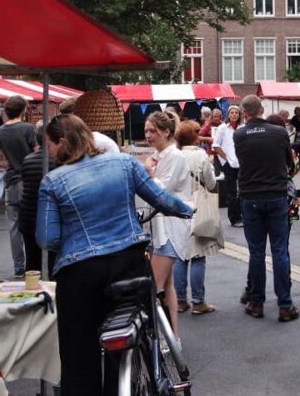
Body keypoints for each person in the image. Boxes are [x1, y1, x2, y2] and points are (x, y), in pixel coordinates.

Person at [36, 114, 190, 395]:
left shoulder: (53, 181)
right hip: (128, 265)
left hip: (79, 274)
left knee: (79, 354)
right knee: (129, 334)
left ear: (63, 142)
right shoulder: (125, 163)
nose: (49, 152)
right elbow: (162, 200)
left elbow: (47, 238)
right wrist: (185, 210)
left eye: (50, 145)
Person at [234, 94, 299, 322]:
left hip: (250, 196)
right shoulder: (279, 132)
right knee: (280, 250)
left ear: (244, 113)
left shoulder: (239, 135)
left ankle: (257, 302)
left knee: (256, 252)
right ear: (262, 109)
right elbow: (289, 164)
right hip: (276, 195)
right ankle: (284, 305)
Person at [143, 110, 191, 342]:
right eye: (146, 131)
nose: (148, 135)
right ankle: (173, 339)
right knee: (167, 285)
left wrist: (148, 171)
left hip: (170, 229)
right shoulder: (158, 155)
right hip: (160, 228)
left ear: (166, 131)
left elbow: (161, 192)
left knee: (153, 287)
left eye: (153, 130)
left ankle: (161, 340)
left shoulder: (175, 157)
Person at [173, 119, 220, 315]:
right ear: (195, 135)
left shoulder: (173, 155)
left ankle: (180, 300)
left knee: (180, 257)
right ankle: (198, 301)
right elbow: (210, 183)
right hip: (197, 207)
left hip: (175, 208)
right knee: (198, 256)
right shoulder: (200, 155)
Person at [0, 95, 36, 278]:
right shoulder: (28, 128)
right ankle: (34, 264)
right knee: (33, 223)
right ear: (23, 109)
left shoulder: (1, 131)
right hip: (28, 180)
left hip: (11, 180)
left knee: (13, 226)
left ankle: (19, 267)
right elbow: (37, 153)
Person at [20, 120, 56, 276]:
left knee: (33, 263)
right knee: (53, 260)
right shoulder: (58, 161)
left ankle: (34, 294)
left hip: (29, 217)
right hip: (50, 217)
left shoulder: (27, 160)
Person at [213, 106, 242, 226]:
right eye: (232, 113)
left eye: (236, 113)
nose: (234, 115)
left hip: (241, 162)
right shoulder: (222, 128)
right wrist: (225, 159)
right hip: (228, 163)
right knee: (231, 192)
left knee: (243, 190)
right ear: (228, 115)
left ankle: (242, 214)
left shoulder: (242, 128)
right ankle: (234, 218)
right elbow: (215, 145)